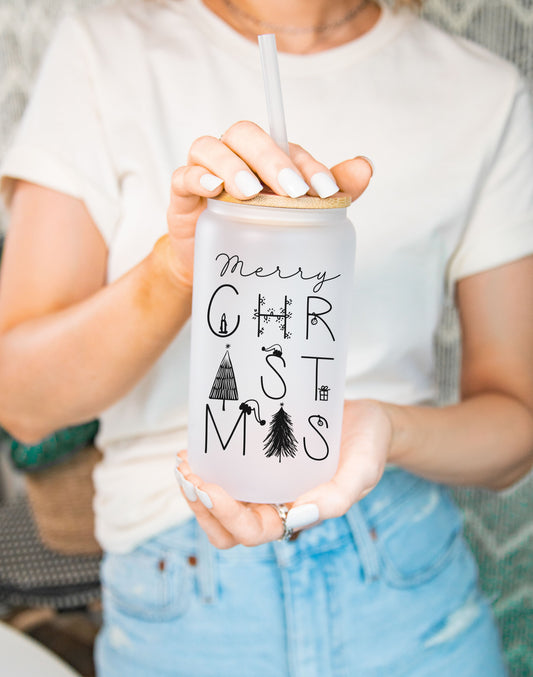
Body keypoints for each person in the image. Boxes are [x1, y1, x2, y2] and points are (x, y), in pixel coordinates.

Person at [1, 0, 532, 674]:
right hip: (182, 596)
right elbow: (21, 400)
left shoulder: (479, 91)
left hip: (410, 588)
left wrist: (386, 429)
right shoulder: (103, 50)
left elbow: (516, 427)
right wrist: (177, 266)